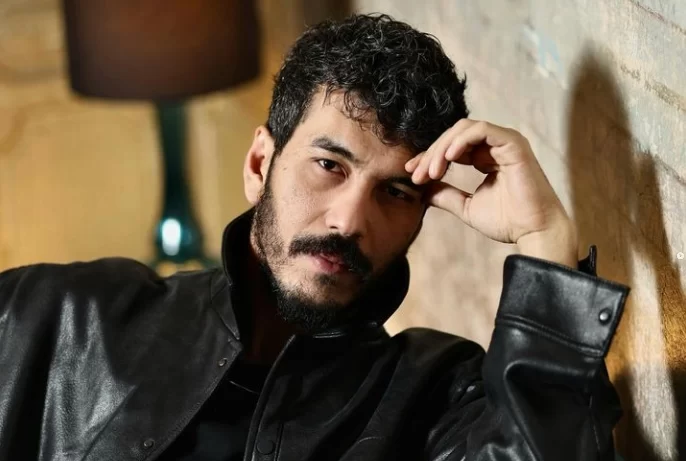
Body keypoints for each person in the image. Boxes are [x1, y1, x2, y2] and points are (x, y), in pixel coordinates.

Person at [0, 14, 628, 461]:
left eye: (395, 193)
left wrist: (543, 237)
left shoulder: (435, 396)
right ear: (259, 166)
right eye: (329, 165)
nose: (349, 222)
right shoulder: (58, 320)